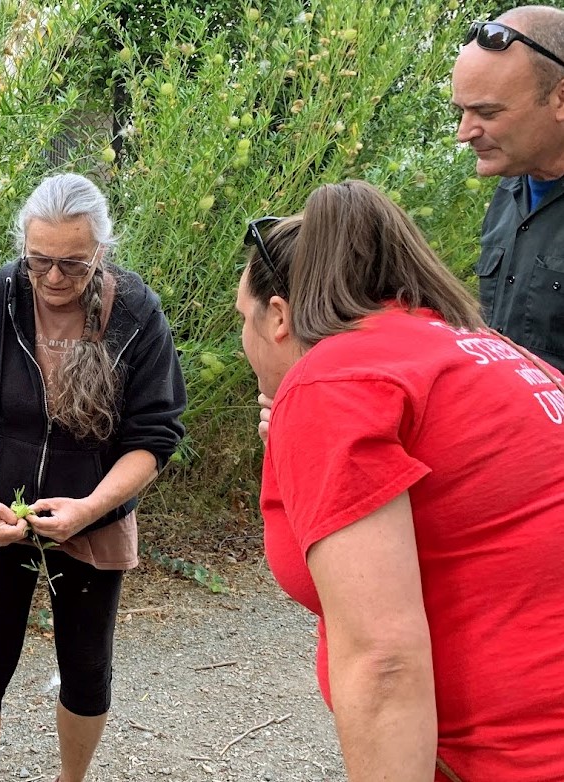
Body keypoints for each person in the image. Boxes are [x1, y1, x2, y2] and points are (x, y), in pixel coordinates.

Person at [239, 180, 564, 781]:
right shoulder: (486, 350)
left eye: (244, 320)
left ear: (278, 317)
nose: (244, 342)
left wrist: (313, 408)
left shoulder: (333, 380)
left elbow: (383, 662)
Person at [0, 173, 186, 782]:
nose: (52, 279)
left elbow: (154, 435)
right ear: (22, 245)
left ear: (102, 250)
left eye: (73, 263)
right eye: (38, 259)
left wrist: (91, 508)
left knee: (87, 666)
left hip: (94, 516)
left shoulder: (135, 313)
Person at [452, 5, 564, 371]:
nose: (464, 133)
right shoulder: (509, 191)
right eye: (461, 111)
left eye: (487, 113)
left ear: (560, 99)